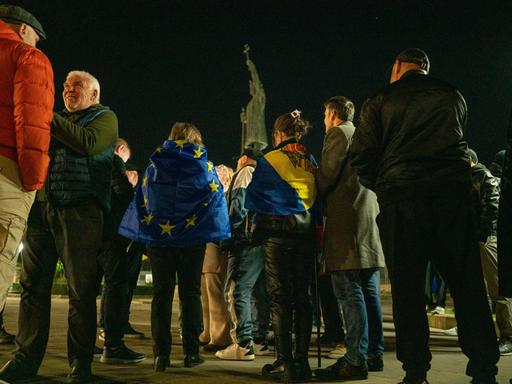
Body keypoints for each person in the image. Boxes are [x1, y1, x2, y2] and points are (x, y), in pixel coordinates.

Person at [350, 48, 499, 384]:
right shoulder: (452, 94)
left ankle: (416, 370)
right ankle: (483, 368)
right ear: (425, 69)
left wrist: (386, 186)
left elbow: (360, 156)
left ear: (398, 68)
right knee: (467, 286)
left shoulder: (380, 99)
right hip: (452, 197)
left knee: (407, 289)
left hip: (403, 199)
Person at [0, 70, 118, 383]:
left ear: (94, 94)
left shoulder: (105, 119)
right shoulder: (53, 120)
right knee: (32, 289)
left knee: (81, 292)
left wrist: (44, 115)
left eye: (76, 85)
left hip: (81, 212)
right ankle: (25, 360)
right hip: (43, 209)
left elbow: (88, 144)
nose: (68, 89)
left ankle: (80, 365)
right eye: (65, 85)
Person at [118, 122, 231, 373]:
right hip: (192, 240)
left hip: (160, 240)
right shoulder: (204, 166)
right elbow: (215, 199)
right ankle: (191, 352)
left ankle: (161, 355)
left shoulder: (155, 164)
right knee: (191, 294)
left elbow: (143, 199)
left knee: (162, 294)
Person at [314, 96, 385, 381]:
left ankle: (355, 359)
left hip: (347, 224)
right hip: (368, 221)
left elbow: (326, 177)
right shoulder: (364, 135)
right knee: (369, 291)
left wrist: (310, 175)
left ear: (332, 114)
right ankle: (373, 354)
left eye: (324, 115)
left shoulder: (339, 134)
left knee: (349, 292)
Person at [246, 110, 317, 383]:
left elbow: (253, 196)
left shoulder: (270, 160)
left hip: (277, 235)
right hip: (305, 235)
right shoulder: (309, 160)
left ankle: (285, 363)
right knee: (303, 298)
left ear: (277, 134)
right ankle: (303, 361)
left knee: (280, 299)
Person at [0, 4, 54, 344]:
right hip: (6, 170)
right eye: (36, 37)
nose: (37, 43)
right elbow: (31, 124)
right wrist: (32, 181)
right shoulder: (26, 56)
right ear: (22, 30)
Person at [215, 148, 270, 361]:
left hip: (244, 242)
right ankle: (259, 338)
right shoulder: (265, 176)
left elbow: (238, 209)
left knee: (237, 291)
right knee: (258, 292)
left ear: (245, 158)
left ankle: (243, 343)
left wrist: (225, 233)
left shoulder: (246, 172)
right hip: (261, 240)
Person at [98, 138, 145, 364]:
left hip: (93, 230)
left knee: (88, 291)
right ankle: (113, 345)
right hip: (113, 234)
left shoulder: (93, 160)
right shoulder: (114, 162)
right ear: (120, 150)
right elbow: (123, 192)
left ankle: (87, 343)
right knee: (116, 285)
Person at [467, 149, 512, 355]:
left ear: (469, 160)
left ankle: (508, 335)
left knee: (498, 289)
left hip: (486, 239)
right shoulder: (468, 178)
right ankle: (486, 334)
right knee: (480, 290)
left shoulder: (484, 177)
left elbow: (493, 206)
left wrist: (482, 233)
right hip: (477, 238)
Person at [199, 165, 233, 352]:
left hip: (217, 246)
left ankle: (220, 335)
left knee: (215, 291)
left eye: (219, 171)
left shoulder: (225, 195)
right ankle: (208, 331)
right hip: (206, 245)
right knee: (206, 291)